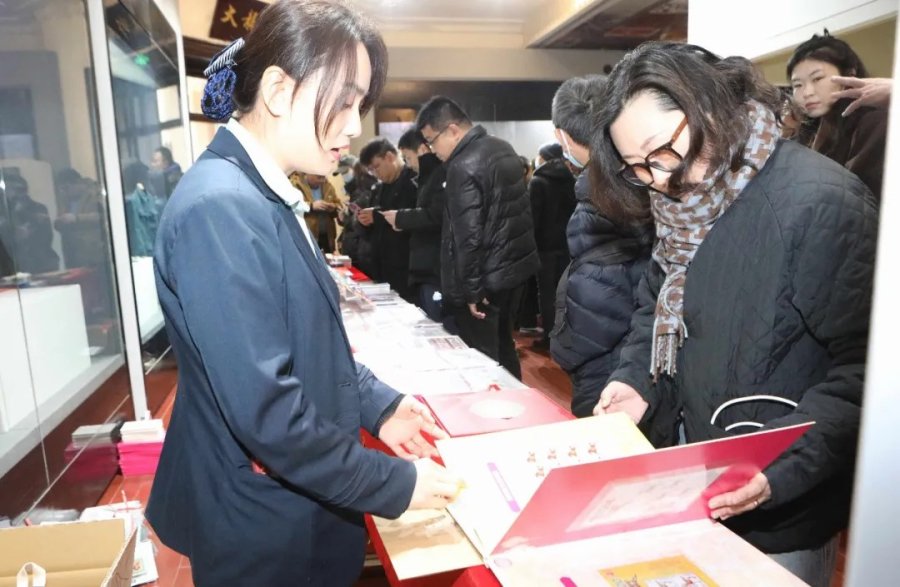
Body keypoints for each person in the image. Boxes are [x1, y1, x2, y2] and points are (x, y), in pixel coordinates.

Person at [145, 2, 460, 585]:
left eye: (359, 104)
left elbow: (307, 344)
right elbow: (266, 410)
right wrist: (394, 483)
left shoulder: (259, 191)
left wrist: (380, 406)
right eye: (344, 101)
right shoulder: (222, 207)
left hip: (286, 503)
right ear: (277, 90)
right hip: (262, 524)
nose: (353, 126)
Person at [590, 42, 876, 587]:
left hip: (781, 500)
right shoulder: (679, 203)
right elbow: (658, 305)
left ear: (708, 105)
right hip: (694, 465)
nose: (657, 179)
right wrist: (636, 381)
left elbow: (869, 372)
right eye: (638, 169)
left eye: (660, 152)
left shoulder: (819, 202)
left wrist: (780, 467)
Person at [546, 75, 653, 419]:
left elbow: (598, 292)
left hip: (611, 360)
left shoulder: (600, 194)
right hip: (640, 346)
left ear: (563, 136)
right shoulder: (644, 174)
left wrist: (568, 351)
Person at [416, 96, 539, 379]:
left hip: (485, 280)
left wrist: (471, 292)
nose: (432, 150)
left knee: (483, 360)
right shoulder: (502, 147)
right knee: (505, 347)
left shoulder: (462, 164)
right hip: (514, 271)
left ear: (452, 130)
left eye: (432, 141)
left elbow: (467, 237)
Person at [787, 32, 887, 198]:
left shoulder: (876, 122)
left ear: (849, 74)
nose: (807, 92)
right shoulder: (807, 134)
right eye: (797, 85)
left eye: (817, 78)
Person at [381, 129, 446, 321]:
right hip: (426, 268)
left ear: (423, 149)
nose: (408, 164)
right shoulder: (427, 176)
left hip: (434, 269)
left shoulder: (439, 174)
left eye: (408, 158)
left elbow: (435, 215)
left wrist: (401, 218)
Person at [528, 142, 576, 350]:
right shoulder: (571, 180)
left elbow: (533, 219)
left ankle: (549, 337)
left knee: (546, 295)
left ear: (544, 158)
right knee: (563, 293)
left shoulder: (538, 181)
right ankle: (563, 336)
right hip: (566, 245)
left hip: (544, 247)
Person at [358, 137, 417, 300]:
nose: (375, 174)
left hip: (406, 267)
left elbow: (413, 216)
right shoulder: (379, 188)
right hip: (381, 267)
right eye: (371, 170)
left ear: (390, 157)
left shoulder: (414, 181)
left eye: (376, 167)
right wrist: (364, 221)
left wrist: (377, 216)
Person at [0, 174, 59, 275]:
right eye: (7, 189)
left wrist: (27, 234)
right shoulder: (3, 210)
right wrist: (14, 235)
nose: (11, 193)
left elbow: (46, 237)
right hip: (12, 264)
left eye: (15, 189)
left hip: (40, 262)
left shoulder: (37, 208)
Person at [338, 160, 378, 276]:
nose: (344, 176)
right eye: (341, 173)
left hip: (361, 248)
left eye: (345, 172)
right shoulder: (354, 191)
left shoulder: (365, 191)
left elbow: (360, 221)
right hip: (356, 246)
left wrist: (346, 218)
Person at [290, 172, 342, 253]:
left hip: (327, 237)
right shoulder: (295, 185)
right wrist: (311, 206)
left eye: (324, 177)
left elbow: (338, 205)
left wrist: (333, 208)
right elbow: (291, 206)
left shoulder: (327, 186)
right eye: (319, 177)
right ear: (309, 173)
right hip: (306, 236)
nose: (322, 181)